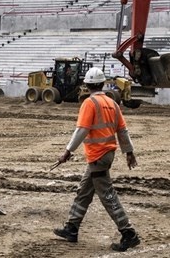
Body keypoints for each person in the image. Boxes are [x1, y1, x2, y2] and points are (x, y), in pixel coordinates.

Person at [53, 67, 140, 252]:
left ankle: (128, 233)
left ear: (86, 84)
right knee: (84, 191)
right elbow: (122, 130)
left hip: (97, 156)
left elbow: (82, 130)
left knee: (108, 195)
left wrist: (67, 151)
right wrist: (129, 152)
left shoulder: (89, 103)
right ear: (102, 83)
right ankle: (72, 228)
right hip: (105, 155)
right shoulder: (112, 103)